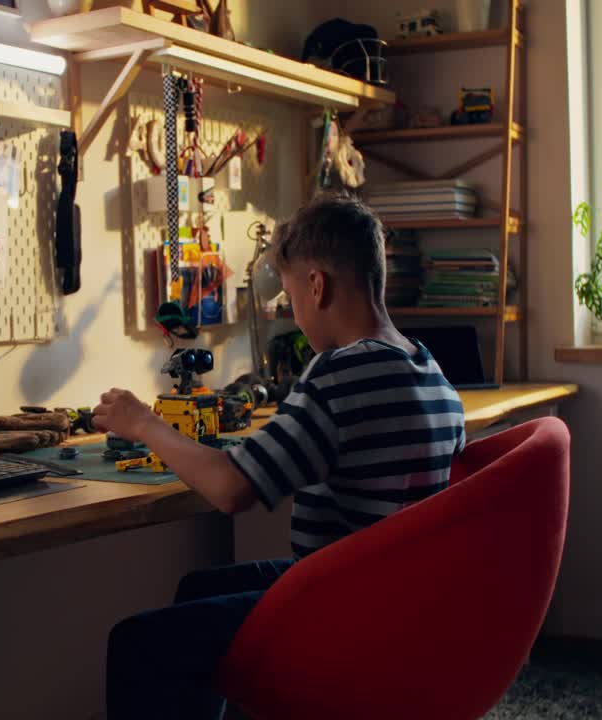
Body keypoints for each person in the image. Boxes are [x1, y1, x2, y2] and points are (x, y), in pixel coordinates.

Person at [93, 195, 466, 720]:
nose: (294, 314)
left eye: (291, 297)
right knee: (198, 589)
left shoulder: (338, 372)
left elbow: (230, 489)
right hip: (397, 598)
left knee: (138, 643)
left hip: (343, 607)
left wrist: (143, 425)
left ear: (318, 285)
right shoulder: (432, 372)